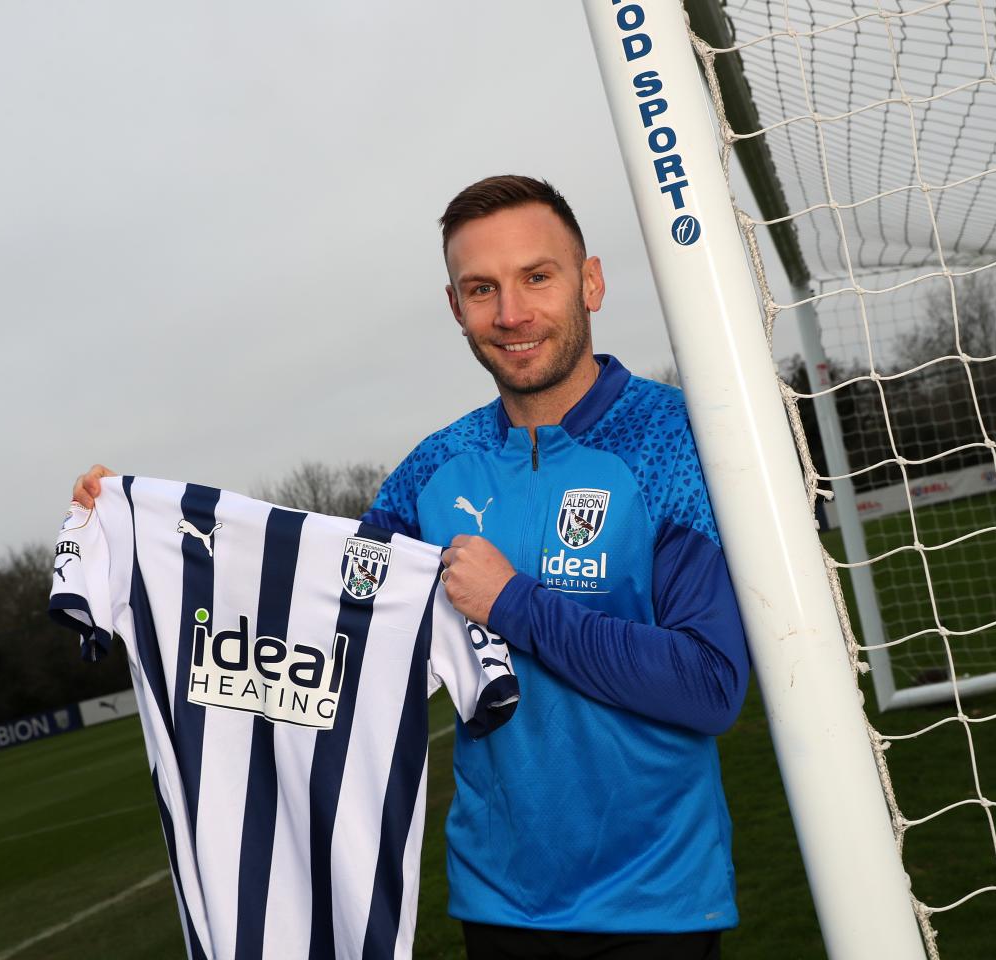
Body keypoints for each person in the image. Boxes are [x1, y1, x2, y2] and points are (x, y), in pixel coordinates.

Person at [73, 174, 749, 960]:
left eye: (538, 276)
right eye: (481, 288)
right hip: (498, 903)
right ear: (457, 309)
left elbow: (709, 685)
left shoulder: (675, 443)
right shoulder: (434, 470)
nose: (512, 313)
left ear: (590, 281)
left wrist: (514, 605)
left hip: (654, 905)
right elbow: (320, 614)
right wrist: (145, 531)